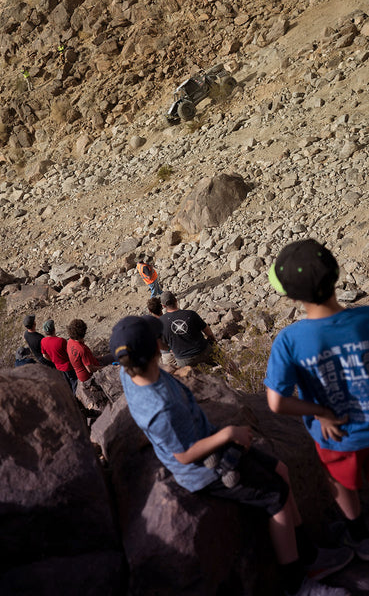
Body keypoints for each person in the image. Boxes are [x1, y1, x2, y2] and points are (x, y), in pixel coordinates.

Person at [110, 316, 352, 596]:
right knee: (276, 496)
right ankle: (299, 582)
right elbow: (184, 455)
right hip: (203, 469)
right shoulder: (161, 407)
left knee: (281, 470)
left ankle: (309, 551)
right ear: (155, 348)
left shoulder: (129, 373)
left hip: (208, 441)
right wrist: (228, 435)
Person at [265, 238, 369, 561]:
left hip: (337, 437)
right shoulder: (365, 319)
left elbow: (276, 403)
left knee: (341, 482)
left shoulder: (290, 341)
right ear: (335, 275)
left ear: (292, 296)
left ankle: (359, 537)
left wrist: (320, 412)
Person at [66, 318, 112, 413]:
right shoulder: (81, 349)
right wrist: (106, 367)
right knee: (113, 366)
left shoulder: (70, 342)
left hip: (82, 371)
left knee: (110, 357)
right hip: (88, 376)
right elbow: (90, 369)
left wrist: (94, 358)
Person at [160, 291, 216, 367]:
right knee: (223, 362)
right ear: (176, 300)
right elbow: (206, 329)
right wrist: (212, 339)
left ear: (163, 306)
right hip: (203, 351)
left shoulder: (161, 322)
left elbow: (160, 344)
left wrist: (170, 349)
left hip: (184, 360)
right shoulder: (191, 314)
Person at [41, 319, 78, 394]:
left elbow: (44, 355)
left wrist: (53, 360)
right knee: (74, 382)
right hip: (68, 366)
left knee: (67, 383)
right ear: (54, 329)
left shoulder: (43, 341)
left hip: (58, 366)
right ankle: (76, 397)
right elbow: (70, 353)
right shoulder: (61, 341)